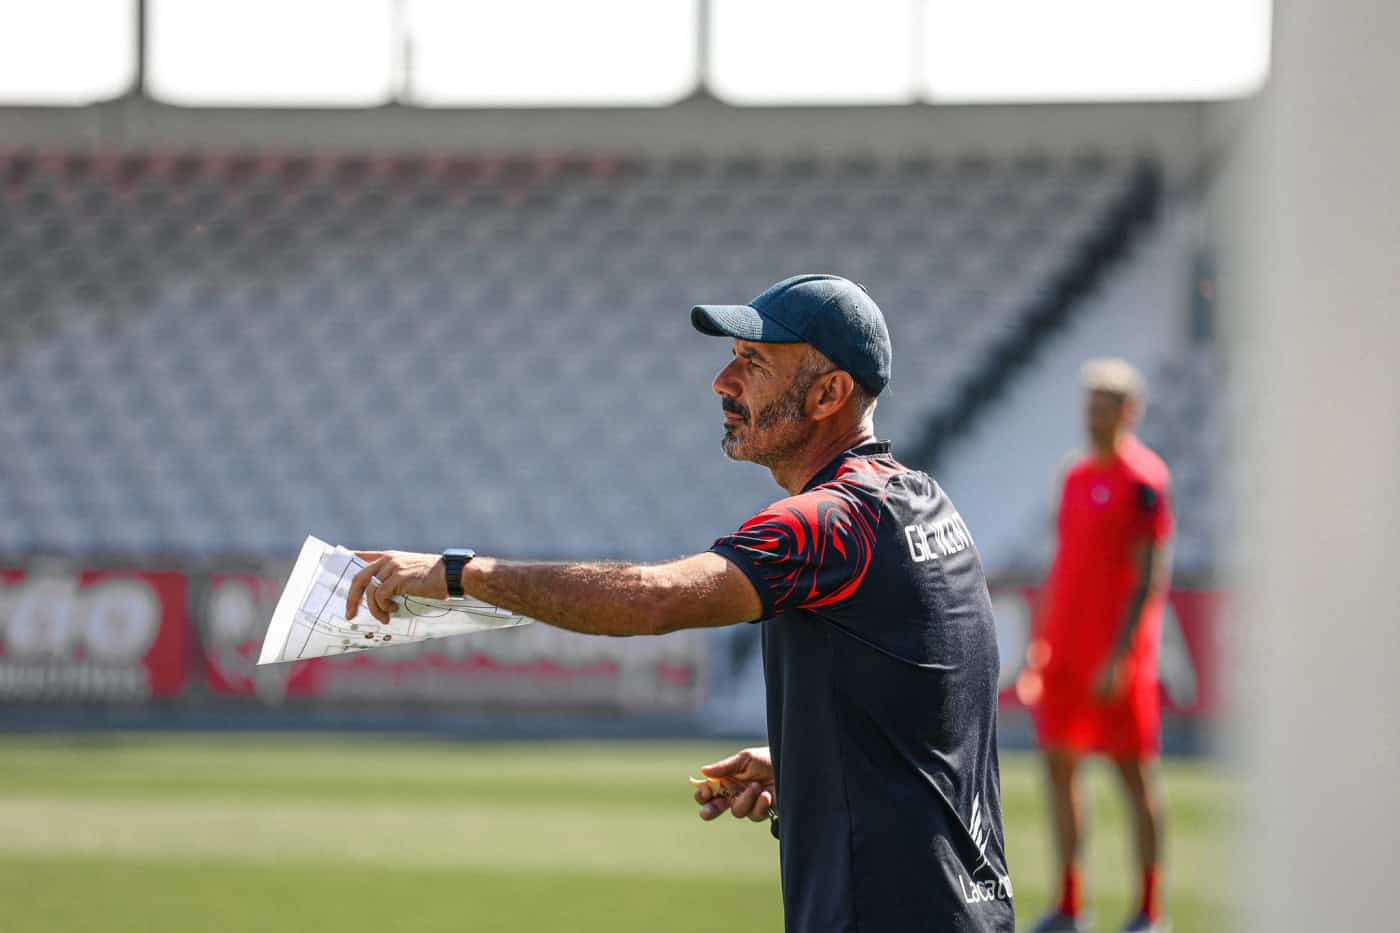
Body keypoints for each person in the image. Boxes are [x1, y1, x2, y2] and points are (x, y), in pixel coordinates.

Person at [344, 273, 1014, 932]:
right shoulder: (921, 500)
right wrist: (810, 763)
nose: (723, 384)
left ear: (829, 393)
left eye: (752, 363)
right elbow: (940, 710)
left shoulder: (827, 521)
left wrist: (460, 572)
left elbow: (653, 602)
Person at [1023, 359, 1172, 933]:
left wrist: (1123, 656)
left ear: (1128, 412)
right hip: (1065, 650)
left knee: (1135, 779)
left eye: (1105, 404)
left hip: (1116, 661)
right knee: (1060, 772)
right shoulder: (1075, 477)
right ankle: (1068, 903)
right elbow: (1062, 567)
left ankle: (1149, 910)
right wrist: (1042, 641)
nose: (1093, 414)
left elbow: (1148, 578)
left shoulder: (1145, 483)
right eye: (1089, 403)